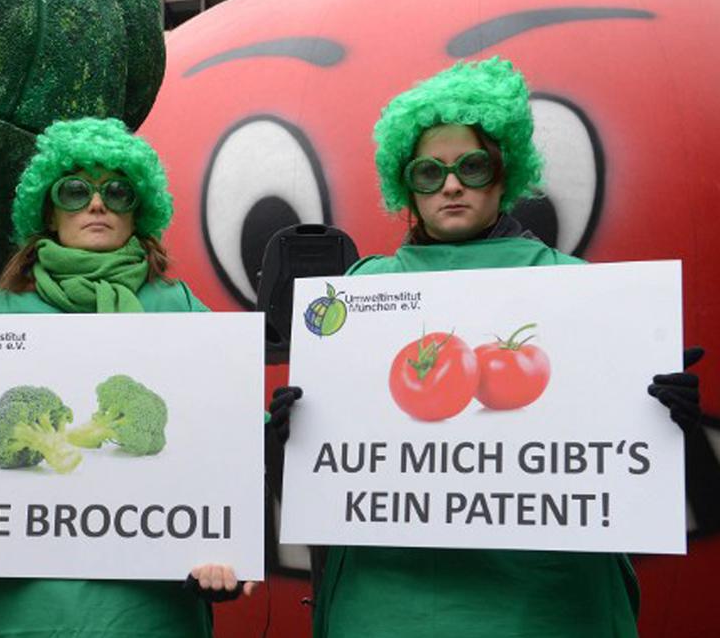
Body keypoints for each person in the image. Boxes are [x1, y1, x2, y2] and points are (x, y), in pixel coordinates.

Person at [266, 57, 703, 637]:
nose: (450, 185)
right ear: (407, 186)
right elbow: (314, 484)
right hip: (385, 603)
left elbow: (628, 480)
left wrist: (667, 423)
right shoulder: (358, 295)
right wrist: (289, 439)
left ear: (504, 175)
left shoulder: (580, 290)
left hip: (545, 606)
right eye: (428, 173)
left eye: (471, 167)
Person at [0, 116, 252, 637]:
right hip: (16, 616)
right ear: (48, 209)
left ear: (139, 211)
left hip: (146, 616)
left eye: (117, 191)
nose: (97, 204)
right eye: (75, 190)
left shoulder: (182, 309)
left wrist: (229, 551)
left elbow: (231, 438)